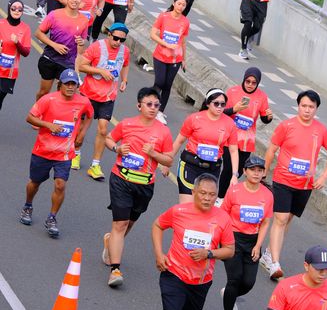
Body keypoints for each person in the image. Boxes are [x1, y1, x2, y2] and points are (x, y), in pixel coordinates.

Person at [151, 173, 234, 310]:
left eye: (212, 195)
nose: (207, 198)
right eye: (203, 193)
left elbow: (229, 250)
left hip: (200, 282)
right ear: (194, 192)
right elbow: (158, 225)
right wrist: (159, 254)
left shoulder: (222, 219)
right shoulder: (179, 211)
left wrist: (209, 253)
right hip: (174, 274)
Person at [261, 89, 327, 280]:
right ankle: (275, 263)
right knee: (280, 219)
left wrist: (323, 177)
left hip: (304, 185)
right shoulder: (286, 126)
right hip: (283, 180)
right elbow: (271, 150)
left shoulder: (320, 130)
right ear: (298, 106)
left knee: (287, 220)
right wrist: (264, 170)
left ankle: (269, 253)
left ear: (316, 108)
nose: (307, 110)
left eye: (311, 106)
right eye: (304, 106)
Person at [103, 87, 173, 288]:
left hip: (144, 184)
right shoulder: (127, 124)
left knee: (130, 223)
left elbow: (168, 159)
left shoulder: (163, 131)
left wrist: (154, 154)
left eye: (156, 105)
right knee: (120, 223)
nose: (152, 108)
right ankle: (115, 270)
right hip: (121, 178)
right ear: (139, 105)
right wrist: (117, 148)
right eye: (148, 104)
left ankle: (111, 242)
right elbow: (108, 138)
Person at [20, 69, 93, 238]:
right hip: (43, 151)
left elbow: (90, 115)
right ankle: (28, 205)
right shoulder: (48, 100)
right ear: (60, 84)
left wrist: (82, 133)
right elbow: (30, 117)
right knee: (35, 183)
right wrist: (48, 125)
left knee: (60, 185)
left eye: (73, 84)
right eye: (67, 84)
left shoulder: (83, 102)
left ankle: (52, 218)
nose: (70, 87)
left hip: (64, 154)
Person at [218, 155, 273, 310]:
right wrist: (222, 239)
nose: (256, 173)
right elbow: (223, 215)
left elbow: (265, 222)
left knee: (248, 282)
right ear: (245, 171)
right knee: (234, 278)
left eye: (260, 170)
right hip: (233, 238)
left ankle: (229, 293)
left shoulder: (267, 195)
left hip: (252, 241)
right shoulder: (234, 191)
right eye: (252, 170)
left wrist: (258, 245)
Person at [77, 22, 130, 179]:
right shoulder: (97, 47)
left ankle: (95, 165)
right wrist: (100, 71)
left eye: (122, 40)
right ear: (109, 34)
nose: (118, 42)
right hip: (89, 94)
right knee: (81, 129)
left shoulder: (125, 51)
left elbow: (125, 65)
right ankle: (76, 153)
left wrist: (124, 80)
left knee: (102, 130)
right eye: (116, 38)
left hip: (108, 96)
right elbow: (81, 66)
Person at [170, 88, 239, 203]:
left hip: (212, 169)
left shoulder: (230, 123)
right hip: (191, 166)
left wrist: (234, 175)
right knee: (188, 207)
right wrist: (167, 162)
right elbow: (179, 141)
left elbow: (233, 150)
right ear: (207, 103)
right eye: (216, 103)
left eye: (223, 104)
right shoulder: (194, 118)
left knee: (203, 206)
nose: (219, 107)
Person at [218, 66, 273, 198]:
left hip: (247, 141)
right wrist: (234, 109)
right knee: (228, 169)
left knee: (239, 171)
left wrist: (269, 118)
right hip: (230, 139)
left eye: (254, 83)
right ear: (244, 79)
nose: (250, 85)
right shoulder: (232, 91)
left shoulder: (262, 96)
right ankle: (220, 197)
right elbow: (221, 113)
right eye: (248, 81)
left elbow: (264, 118)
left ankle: (227, 196)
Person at [35, 0, 88, 100]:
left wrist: (81, 43)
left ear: (81, 0)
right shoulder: (55, 14)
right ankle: (37, 109)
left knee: (64, 96)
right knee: (44, 92)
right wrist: (54, 45)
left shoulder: (84, 20)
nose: (75, 0)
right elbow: (38, 33)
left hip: (67, 63)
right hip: (50, 58)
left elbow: (81, 49)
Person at [150, 0, 189, 124]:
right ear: (173, 3)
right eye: (179, 3)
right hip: (160, 56)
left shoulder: (185, 22)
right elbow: (152, 34)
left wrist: (184, 59)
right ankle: (149, 104)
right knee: (159, 82)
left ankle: (160, 111)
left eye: (184, 5)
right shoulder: (164, 16)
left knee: (167, 85)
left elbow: (183, 42)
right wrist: (166, 44)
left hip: (175, 59)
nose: (181, 7)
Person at [0, 0, 31, 110]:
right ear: (9, 9)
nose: (17, 11)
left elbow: (26, 52)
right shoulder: (1, 24)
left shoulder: (25, 28)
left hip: (9, 72)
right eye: (13, 8)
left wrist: (17, 43)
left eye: (20, 9)